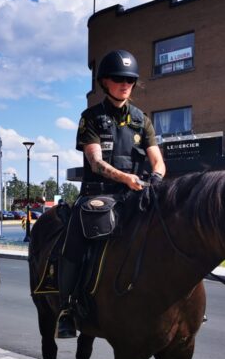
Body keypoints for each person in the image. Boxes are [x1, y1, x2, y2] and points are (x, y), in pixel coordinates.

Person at [55, 49, 166, 338]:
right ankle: (66, 308)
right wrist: (125, 178)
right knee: (75, 238)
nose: (124, 83)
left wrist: (154, 178)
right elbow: (96, 162)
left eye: (129, 79)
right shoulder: (91, 117)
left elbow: (158, 161)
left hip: (136, 194)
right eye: (118, 78)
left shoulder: (142, 120)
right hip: (98, 195)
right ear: (104, 81)